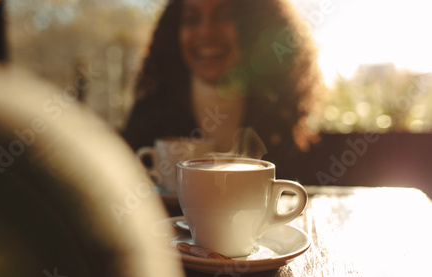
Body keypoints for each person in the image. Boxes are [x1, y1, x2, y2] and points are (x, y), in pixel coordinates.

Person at [122, 0, 325, 179]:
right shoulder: (150, 113)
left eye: (225, 16)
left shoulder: (278, 114)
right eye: (191, 19)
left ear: (255, 26)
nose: (207, 32)